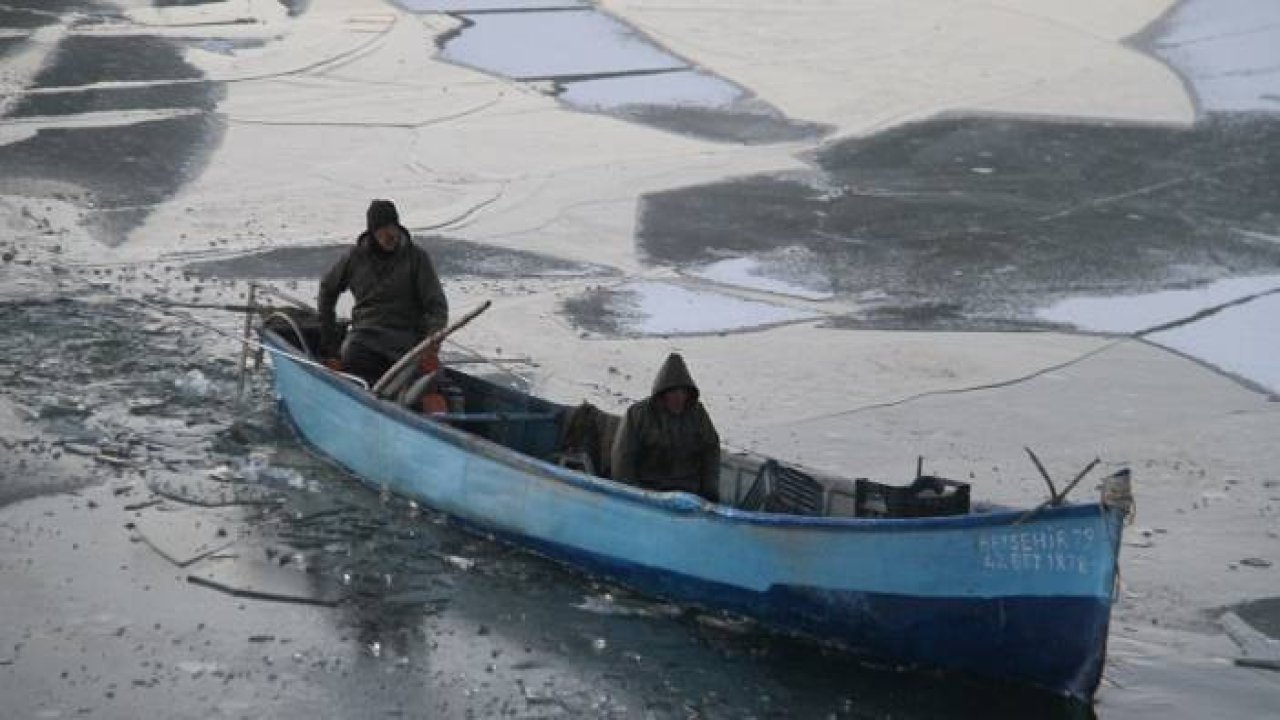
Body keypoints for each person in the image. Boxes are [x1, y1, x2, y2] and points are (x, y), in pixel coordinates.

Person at [318, 199, 448, 386]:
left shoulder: (417, 259)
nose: (389, 235)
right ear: (372, 232)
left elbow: (436, 306)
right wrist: (329, 345)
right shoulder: (355, 258)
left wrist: (430, 345)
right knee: (352, 361)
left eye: (392, 227)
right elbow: (327, 289)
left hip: (407, 344)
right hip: (364, 339)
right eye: (382, 229)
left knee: (432, 384)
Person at [610, 352, 721, 502]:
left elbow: (711, 450)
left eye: (683, 392)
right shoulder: (638, 415)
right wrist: (632, 495)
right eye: (673, 392)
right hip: (648, 493)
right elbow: (623, 458)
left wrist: (709, 491)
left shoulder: (698, 414)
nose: (679, 397)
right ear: (663, 393)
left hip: (689, 495)